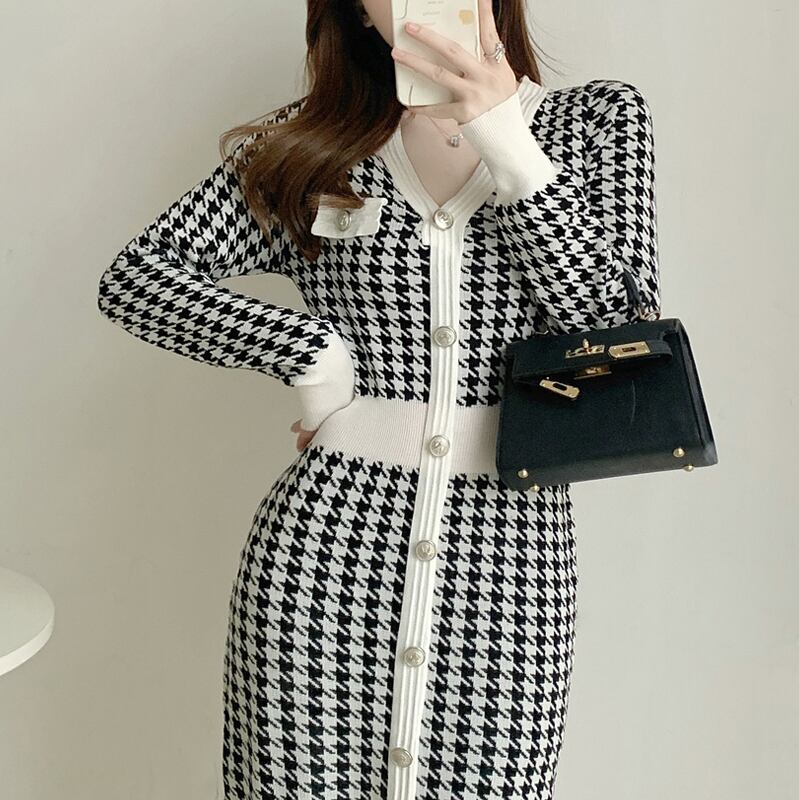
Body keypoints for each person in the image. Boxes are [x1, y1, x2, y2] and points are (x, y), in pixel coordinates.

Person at [96, 0, 661, 798]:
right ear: (360, 12)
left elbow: (619, 328)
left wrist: (505, 134)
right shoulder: (313, 146)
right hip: (318, 570)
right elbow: (138, 279)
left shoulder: (595, 122)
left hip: (513, 572)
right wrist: (309, 354)